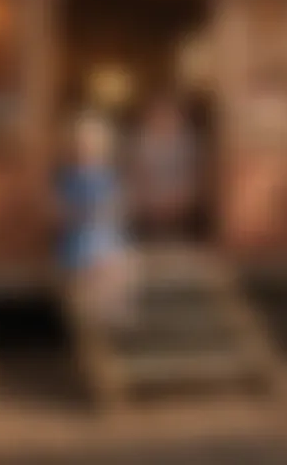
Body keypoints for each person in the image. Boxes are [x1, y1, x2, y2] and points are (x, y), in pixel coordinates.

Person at [56, 112, 134, 327]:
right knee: (93, 261)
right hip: (79, 238)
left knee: (118, 261)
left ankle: (111, 316)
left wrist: (106, 211)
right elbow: (60, 210)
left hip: (105, 235)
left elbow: (118, 206)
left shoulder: (108, 176)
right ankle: (94, 318)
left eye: (92, 144)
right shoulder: (68, 177)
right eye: (83, 144)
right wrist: (82, 213)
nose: (87, 150)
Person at [128, 95, 199, 241]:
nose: (163, 120)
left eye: (169, 115)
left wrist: (177, 201)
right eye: (158, 115)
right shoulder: (140, 143)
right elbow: (134, 178)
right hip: (146, 212)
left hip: (182, 211)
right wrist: (148, 201)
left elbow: (195, 179)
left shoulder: (189, 145)